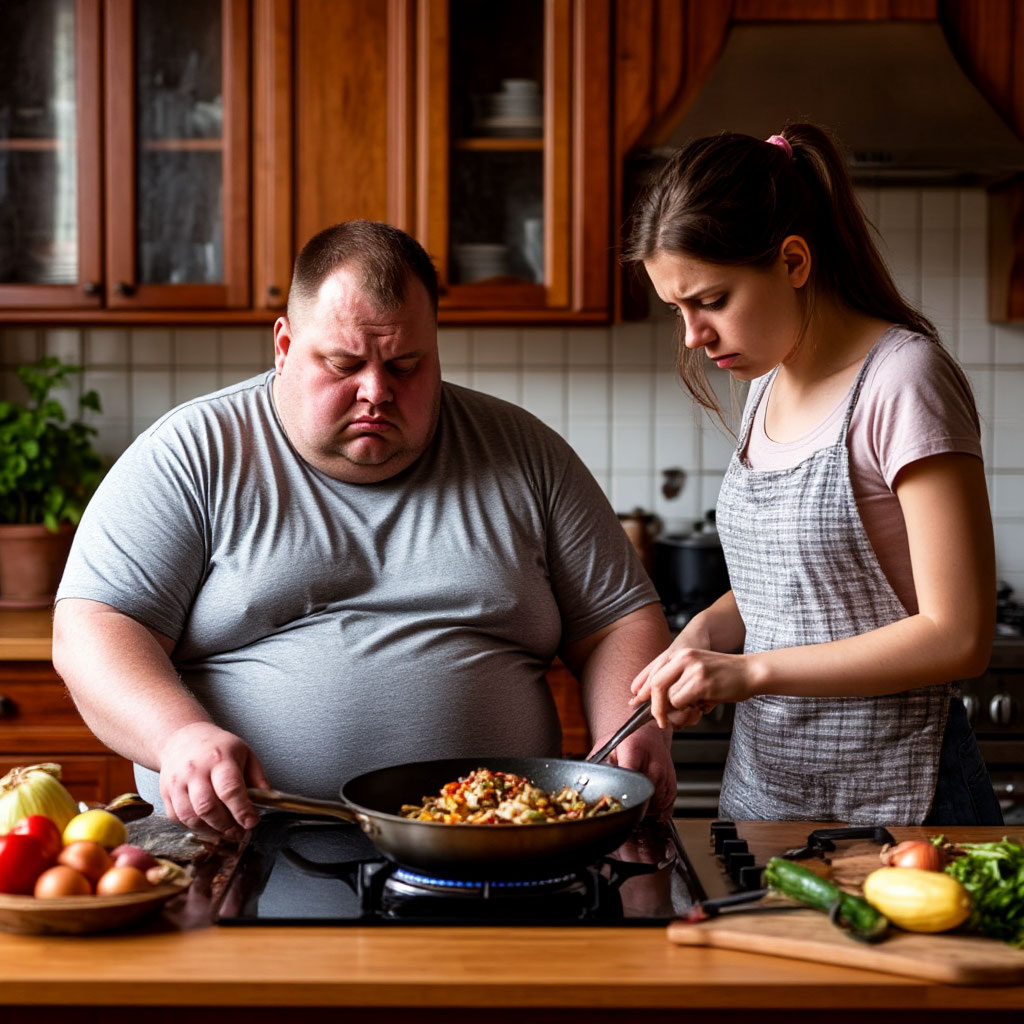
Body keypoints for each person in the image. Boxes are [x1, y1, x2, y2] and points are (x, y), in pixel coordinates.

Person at [52, 219, 676, 837]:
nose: (376, 391)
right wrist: (178, 735)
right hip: (237, 841)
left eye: (406, 365)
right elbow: (95, 629)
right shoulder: (191, 454)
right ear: (284, 345)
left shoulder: (526, 454)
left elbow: (616, 619)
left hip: (488, 847)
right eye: (344, 363)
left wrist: (633, 725)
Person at [624, 123, 1002, 826]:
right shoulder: (768, 381)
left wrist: (751, 672)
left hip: (900, 803)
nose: (692, 336)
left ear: (794, 261)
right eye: (678, 308)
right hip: (768, 798)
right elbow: (788, 582)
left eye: (710, 300)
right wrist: (703, 634)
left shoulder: (904, 381)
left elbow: (960, 634)